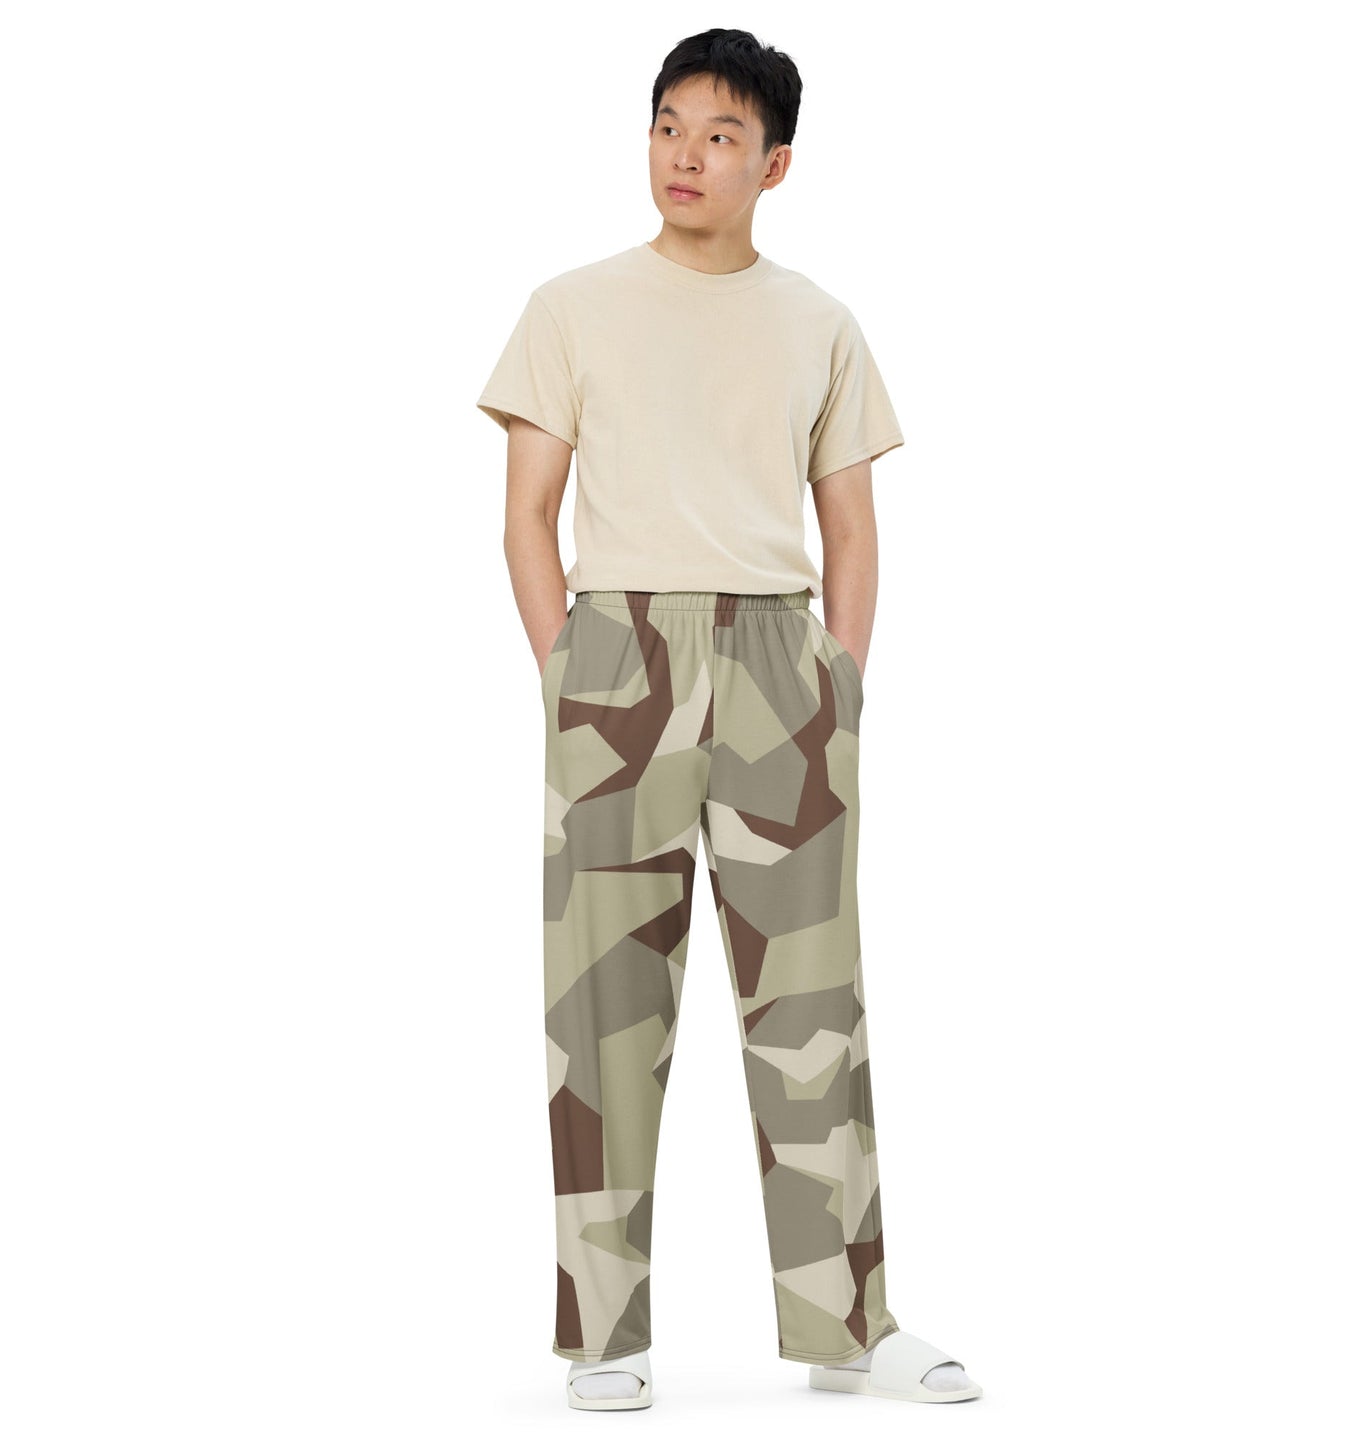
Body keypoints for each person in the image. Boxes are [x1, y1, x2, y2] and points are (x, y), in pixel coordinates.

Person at [475, 28, 982, 1411]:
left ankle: (848, 1329)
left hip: (777, 660)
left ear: (777, 164)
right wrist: (568, 671)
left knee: (812, 1003)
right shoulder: (570, 307)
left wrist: (839, 682)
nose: (685, 156)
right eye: (667, 126)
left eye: (718, 135)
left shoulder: (819, 322)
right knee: (599, 1007)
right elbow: (526, 514)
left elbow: (850, 524)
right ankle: (603, 1336)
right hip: (615, 656)